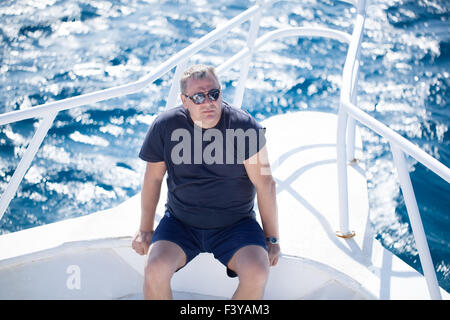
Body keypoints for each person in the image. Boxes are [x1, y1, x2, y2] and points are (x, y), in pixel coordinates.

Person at [131, 64, 280, 299]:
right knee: (154, 269)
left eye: (214, 94)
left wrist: (272, 238)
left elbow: (266, 184)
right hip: (180, 223)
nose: (208, 102)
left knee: (257, 271)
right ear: (184, 100)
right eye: (199, 97)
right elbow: (153, 178)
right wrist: (145, 228)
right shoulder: (165, 126)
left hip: (236, 224)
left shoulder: (245, 127)